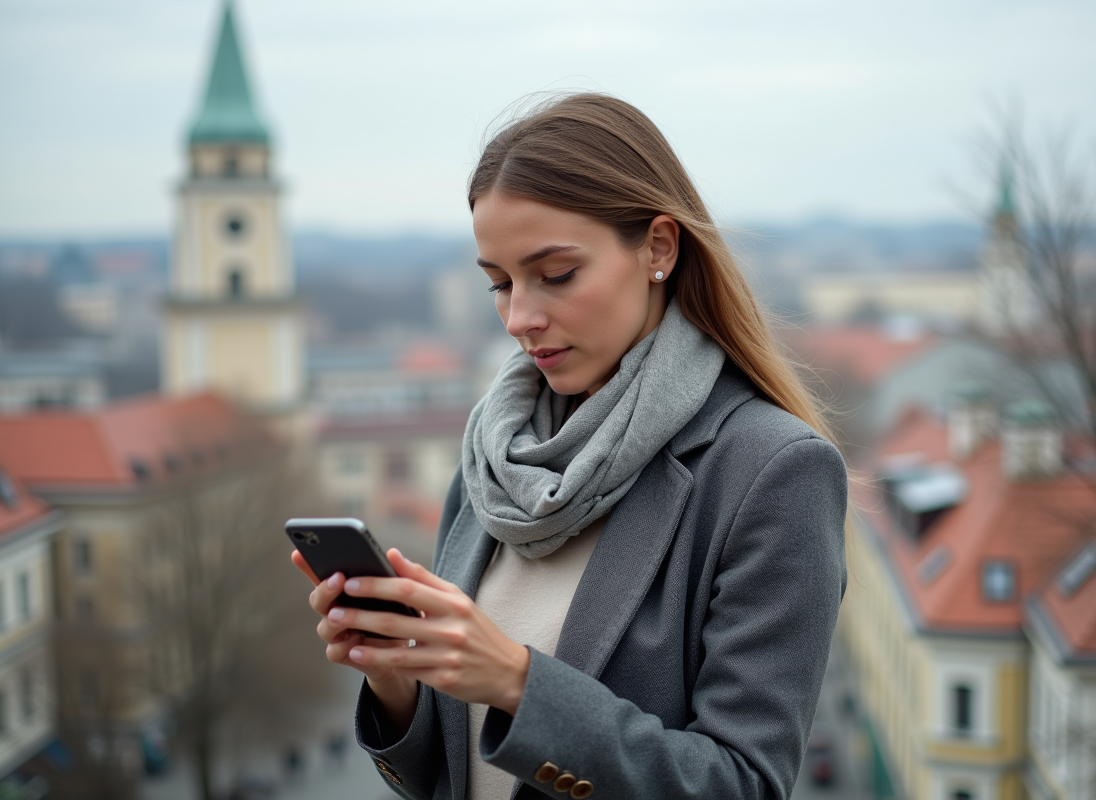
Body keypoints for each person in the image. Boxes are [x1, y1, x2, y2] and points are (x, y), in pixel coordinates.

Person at [293, 93, 848, 800]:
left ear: (658, 248)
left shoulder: (773, 472)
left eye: (555, 275)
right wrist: (396, 678)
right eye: (498, 283)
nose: (520, 317)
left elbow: (742, 784)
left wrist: (517, 683)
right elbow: (448, 779)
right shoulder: (496, 454)